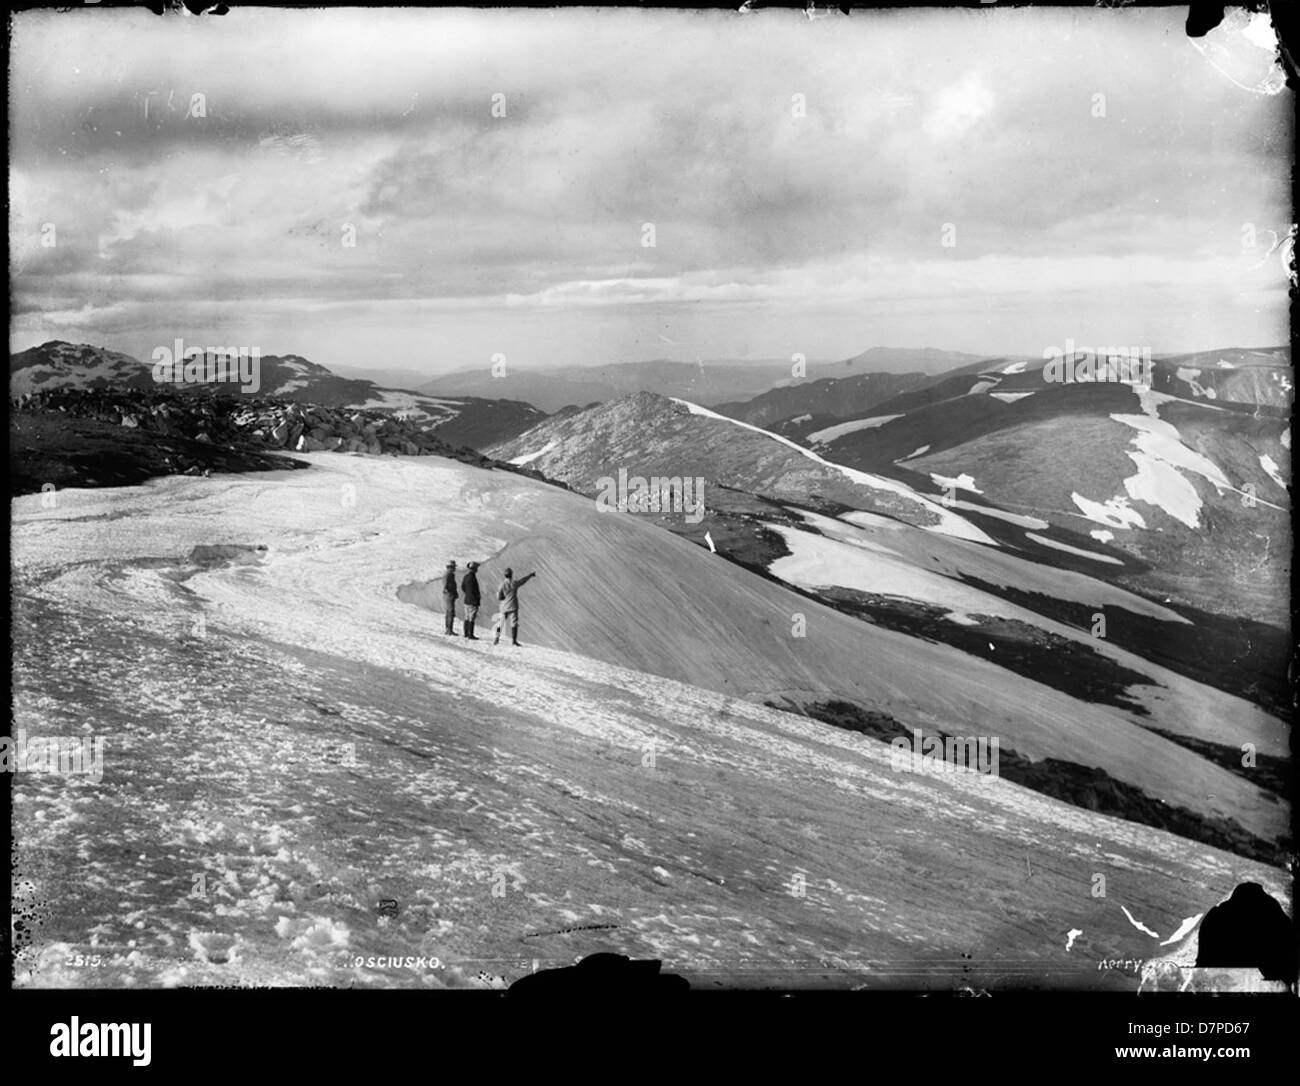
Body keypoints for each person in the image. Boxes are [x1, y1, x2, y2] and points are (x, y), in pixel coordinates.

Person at [493, 567, 537, 646]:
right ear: (511, 575)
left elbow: (499, 597)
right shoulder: (514, 583)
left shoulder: (502, 584)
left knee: (500, 623)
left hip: (504, 607)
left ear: (505, 575)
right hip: (513, 606)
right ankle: (514, 641)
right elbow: (522, 581)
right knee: (514, 623)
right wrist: (530, 575)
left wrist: (502, 597)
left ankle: (496, 639)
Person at [460, 561, 482, 640]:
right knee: (471, 618)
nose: (477, 569)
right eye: (476, 568)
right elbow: (475, 590)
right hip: (473, 601)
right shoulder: (473, 578)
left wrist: (467, 593)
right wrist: (476, 597)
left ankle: (466, 633)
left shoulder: (466, 577)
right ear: (474, 569)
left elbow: (462, 587)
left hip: (467, 600)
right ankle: (470, 634)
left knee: (466, 617)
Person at [441, 560, 458, 634]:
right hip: (449, 595)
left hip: (450, 594)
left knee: (449, 612)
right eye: (454, 567)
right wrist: (446, 589)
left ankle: (448, 629)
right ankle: (449, 630)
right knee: (450, 612)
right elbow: (446, 583)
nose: (455, 568)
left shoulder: (450, 574)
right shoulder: (448, 574)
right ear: (450, 567)